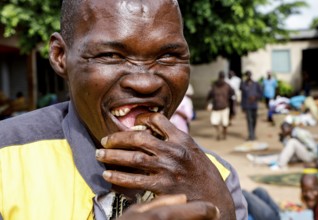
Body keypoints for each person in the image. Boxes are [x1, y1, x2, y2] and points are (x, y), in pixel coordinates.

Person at [0, 0, 247, 219]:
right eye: (110, 56)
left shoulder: (216, 178)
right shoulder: (7, 160)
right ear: (60, 56)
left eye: (169, 56)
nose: (145, 82)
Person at [207, 71, 235, 140]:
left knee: (225, 123)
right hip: (216, 107)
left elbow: (232, 93)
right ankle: (218, 132)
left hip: (224, 107)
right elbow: (210, 95)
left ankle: (224, 132)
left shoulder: (227, 85)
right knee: (214, 122)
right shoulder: (215, 85)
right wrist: (208, 103)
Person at [240, 70, 262, 141]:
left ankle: (253, 132)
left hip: (254, 105)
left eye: (250, 75)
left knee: (254, 120)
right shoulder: (243, 84)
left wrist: (255, 97)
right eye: (247, 75)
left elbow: (260, 93)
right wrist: (242, 106)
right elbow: (242, 96)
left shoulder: (256, 84)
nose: (249, 76)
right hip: (247, 105)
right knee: (249, 120)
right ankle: (251, 135)